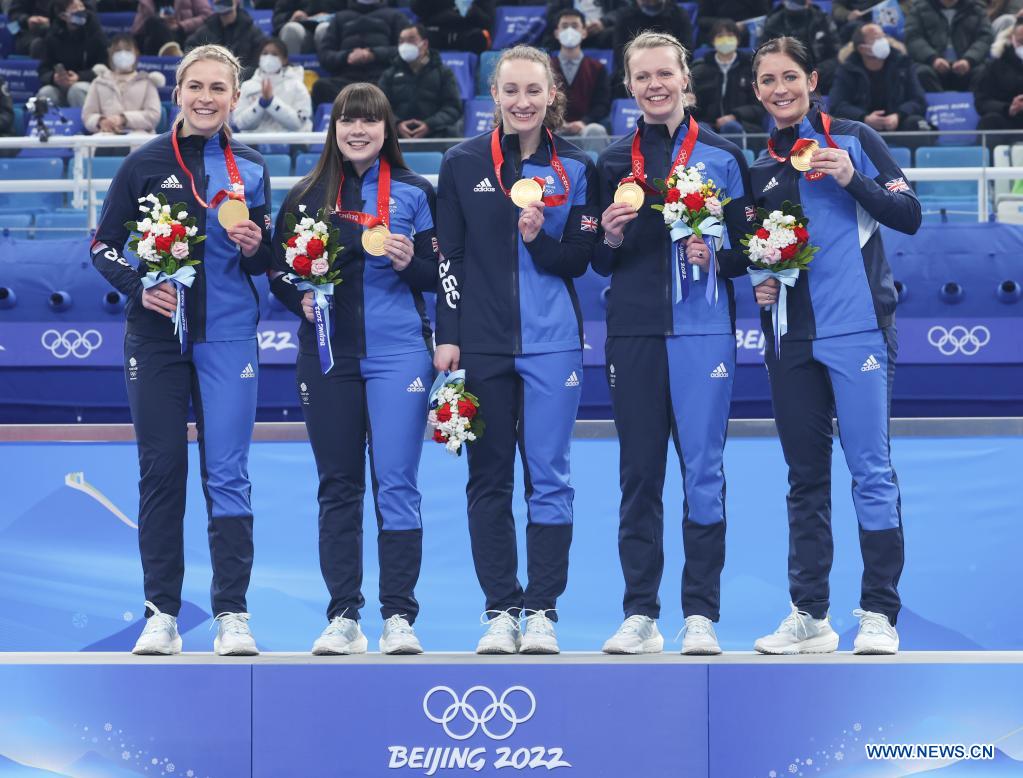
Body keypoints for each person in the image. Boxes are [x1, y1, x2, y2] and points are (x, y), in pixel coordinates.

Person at [90, 44, 273, 657]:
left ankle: (232, 614)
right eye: (195, 86)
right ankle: (161, 613)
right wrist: (141, 285)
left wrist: (256, 246)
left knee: (228, 476)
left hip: (227, 338)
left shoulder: (251, 167)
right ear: (177, 92)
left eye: (217, 88)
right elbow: (103, 245)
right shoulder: (142, 164)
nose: (205, 97)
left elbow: (267, 259)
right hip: (156, 341)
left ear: (235, 98)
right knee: (162, 473)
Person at [747, 36, 921, 655]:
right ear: (757, 90)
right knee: (805, 478)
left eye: (789, 76)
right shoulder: (761, 166)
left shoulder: (851, 139)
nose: (779, 90)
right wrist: (761, 279)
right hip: (790, 338)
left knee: (871, 471)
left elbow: (908, 214)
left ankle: (879, 612)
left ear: (812, 79)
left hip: (859, 331)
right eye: (767, 81)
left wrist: (851, 178)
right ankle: (810, 614)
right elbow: (758, 247)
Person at [434, 45, 600, 654]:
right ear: (494, 96)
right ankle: (500, 609)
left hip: (554, 344)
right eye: (511, 91)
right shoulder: (461, 162)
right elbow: (447, 257)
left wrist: (537, 240)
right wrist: (448, 334)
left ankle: (543, 612)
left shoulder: (579, 167)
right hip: (479, 346)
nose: (522, 102)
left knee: (551, 478)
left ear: (552, 94)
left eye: (534, 91)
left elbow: (579, 262)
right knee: (488, 478)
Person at [595, 31, 754, 657]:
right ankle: (640, 613)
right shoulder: (610, 162)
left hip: (704, 330)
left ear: (684, 80)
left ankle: (701, 615)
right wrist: (606, 236)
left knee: (704, 472)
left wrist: (716, 247)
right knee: (638, 474)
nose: (654, 86)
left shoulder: (721, 155)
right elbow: (599, 265)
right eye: (642, 77)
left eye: (665, 74)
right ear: (629, 86)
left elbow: (746, 254)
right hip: (632, 330)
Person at [269, 83, 438, 656]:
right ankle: (344, 615)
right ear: (333, 128)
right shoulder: (306, 195)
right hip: (328, 357)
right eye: (347, 121)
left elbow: (441, 275)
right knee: (337, 487)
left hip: (400, 355)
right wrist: (300, 301)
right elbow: (279, 273)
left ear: (387, 129)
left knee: (396, 483)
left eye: (369, 121)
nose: (357, 131)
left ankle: (398, 617)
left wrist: (412, 260)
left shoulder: (416, 192)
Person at [829, 23, 929, 134]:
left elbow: (919, 100)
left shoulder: (903, 64)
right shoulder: (847, 69)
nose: (884, 41)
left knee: (917, 124)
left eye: (884, 36)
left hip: (898, 122)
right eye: (877, 38)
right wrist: (864, 118)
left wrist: (899, 115)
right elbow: (836, 105)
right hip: (862, 126)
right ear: (862, 49)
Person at [311, 0, 407, 106]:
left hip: (381, 79)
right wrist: (347, 56)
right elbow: (325, 55)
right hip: (346, 80)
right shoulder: (339, 18)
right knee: (321, 86)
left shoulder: (396, 16)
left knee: (399, 87)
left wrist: (375, 54)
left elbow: (403, 51)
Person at [377, 23, 463, 139]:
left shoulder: (443, 73)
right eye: (401, 41)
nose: (405, 45)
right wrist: (397, 124)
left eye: (411, 40)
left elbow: (453, 108)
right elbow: (379, 107)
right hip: (396, 138)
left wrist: (429, 125)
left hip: (436, 135)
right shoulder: (389, 74)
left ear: (425, 44)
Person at [690, 20, 766, 136]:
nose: (725, 40)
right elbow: (696, 109)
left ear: (738, 40)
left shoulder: (751, 69)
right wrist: (690, 103)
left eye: (730, 36)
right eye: (720, 36)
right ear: (713, 41)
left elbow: (760, 106)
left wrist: (735, 116)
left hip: (741, 124)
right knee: (700, 129)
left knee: (730, 126)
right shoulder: (699, 70)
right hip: (708, 124)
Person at [904, 0, 993, 92]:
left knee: (983, 72)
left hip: (967, 66)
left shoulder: (976, 8)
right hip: (931, 66)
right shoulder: (919, 8)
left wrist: (969, 60)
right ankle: (938, 104)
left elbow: (985, 38)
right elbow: (913, 38)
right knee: (921, 73)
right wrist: (933, 59)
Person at [82, 35, 163, 136]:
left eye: (128, 50)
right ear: (111, 53)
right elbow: (88, 116)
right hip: (106, 136)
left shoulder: (147, 82)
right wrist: (101, 121)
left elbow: (153, 116)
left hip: (139, 137)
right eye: (118, 50)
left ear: (136, 53)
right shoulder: (99, 82)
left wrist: (124, 119)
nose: (123, 54)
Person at [234, 37, 313, 137]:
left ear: (284, 60)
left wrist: (271, 102)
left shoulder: (297, 86)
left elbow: (298, 123)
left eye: (275, 54)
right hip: (254, 146)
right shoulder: (247, 86)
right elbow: (240, 123)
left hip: (289, 146)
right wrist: (261, 104)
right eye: (265, 53)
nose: (269, 57)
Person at [36, 0, 108, 108]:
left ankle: (86, 123)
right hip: (62, 87)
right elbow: (43, 70)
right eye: (75, 8)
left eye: (81, 6)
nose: (81, 10)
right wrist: (54, 78)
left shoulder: (95, 33)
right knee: (46, 92)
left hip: (90, 84)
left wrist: (80, 77)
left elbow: (105, 66)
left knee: (77, 89)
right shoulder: (52, 37)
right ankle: (52, 124)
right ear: (63, 16)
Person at [550, 9, 611, 137]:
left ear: (584, 32)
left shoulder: (598, 68)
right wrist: (559, 122)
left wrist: (584, 122)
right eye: (565, 26)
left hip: (586, 127)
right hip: (554, 126)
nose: (569, 30)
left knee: (596, 130)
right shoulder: (545, 68)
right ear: (556, 33)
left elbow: (602, 104)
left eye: (575, 26)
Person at [612, 0, 693, 95]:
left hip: (669, 70)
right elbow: (621, 53)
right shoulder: (624, 16)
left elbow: (686, 51)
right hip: (636, 71)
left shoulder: (679, 14)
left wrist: (667, 72)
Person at [762, 0, 840, 92]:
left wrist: (817, 71)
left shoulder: (822, 19)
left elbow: (837, 53)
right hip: (787, 77)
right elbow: (764, 57)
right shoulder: (773, 24)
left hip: (821, 74)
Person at [185, 0, 267, 78]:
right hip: (212, 77)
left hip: (242, 79)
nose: (225, 16)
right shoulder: (207, 28)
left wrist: (239, 75)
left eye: (228, 12)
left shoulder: (250, 30)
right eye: (222, 13)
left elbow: (258, 59)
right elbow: (190, 47)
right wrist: (204, 69)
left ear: (236, 3)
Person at [976, 17, 1023, 144]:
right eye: (1021, 42)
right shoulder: (995, 66)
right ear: (1012, 38)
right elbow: (982, 101)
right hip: (1008, 120)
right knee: (990, 121)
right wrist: (1009, 108)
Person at [411, 0, 496, 55]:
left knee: (479, 39)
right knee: (417, 39)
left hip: (466, 32)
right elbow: (416, 9)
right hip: (437, 31)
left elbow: (487, 21)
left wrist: (472, 9)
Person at [131, 0, 213, 57]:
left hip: (182, 35)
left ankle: (170, 52)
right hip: (155, 38)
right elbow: (136, 29)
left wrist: (180, 25)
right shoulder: (146, 2)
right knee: (152, 21)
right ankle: (173, 53)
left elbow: (207, 15)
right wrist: (159, 22)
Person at [272, 0, 344, 55]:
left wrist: (333, 17)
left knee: (325, 28)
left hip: (332, 25)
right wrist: (291, 16)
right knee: (291, 28)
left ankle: (330, 71)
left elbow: (351, 12)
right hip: (300, 27)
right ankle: (291, 71)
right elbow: (277, 17)